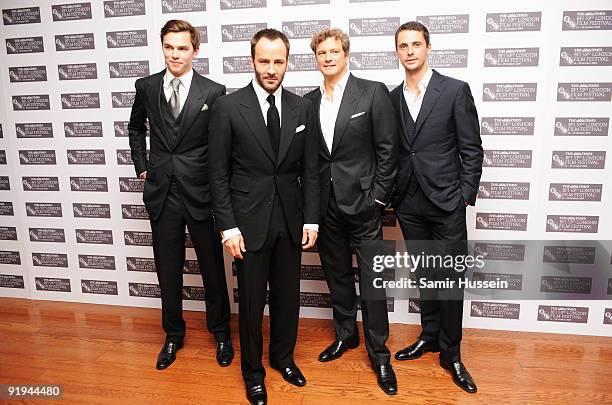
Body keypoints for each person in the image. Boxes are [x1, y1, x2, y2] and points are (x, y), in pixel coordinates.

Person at [209, 29, 319, 405]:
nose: (271, 69)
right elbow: (217, 174)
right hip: (247, 223)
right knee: (252, 304)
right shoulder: (227, 107)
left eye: (278, 61)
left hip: (291, 220)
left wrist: (312, 219)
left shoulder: (302, 107)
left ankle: (283, 358)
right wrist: (227, 226)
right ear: (251, 60)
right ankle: (253, 373)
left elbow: (311, 169)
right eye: (264, 61)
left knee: (289, 299)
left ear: (288, 62)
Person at [128, 19, 232, 371]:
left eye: (182, 48)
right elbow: (135, 127)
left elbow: (222, 145)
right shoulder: (145, 86)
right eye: (169, 47)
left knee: (212, 269)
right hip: (162, 193)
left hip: (201, 192)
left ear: (195, 50)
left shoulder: (214, 91)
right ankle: (173, 335)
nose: (175, 54)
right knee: (167, 270)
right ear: (162, 47)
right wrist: (142, 164)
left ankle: (221, 332)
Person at [303, 28, 399, 396]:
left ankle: (380, 355)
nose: (327, 57)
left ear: (346, 55)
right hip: (326, 208)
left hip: (363, 206)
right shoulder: (309, 102)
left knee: (373, 284)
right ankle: (346, 336)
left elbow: (388, 150)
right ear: (316, 58)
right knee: (338, 276)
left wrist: (377, 200)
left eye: (334, 51)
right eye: (321, 53)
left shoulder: (372, 92)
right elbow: (312, 162)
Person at [390, 21, 483, 394]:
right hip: (409, 202)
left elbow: (472, 149)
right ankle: (429, 336)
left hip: (446, 201)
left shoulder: (454, 90)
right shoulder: (393, 97)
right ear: (397, 52)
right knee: (425, 275)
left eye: (416, 44)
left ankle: (452, 353)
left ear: (428, 47)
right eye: (403, 45)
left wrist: (463, 194)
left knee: (449, 281)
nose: (410, 50)